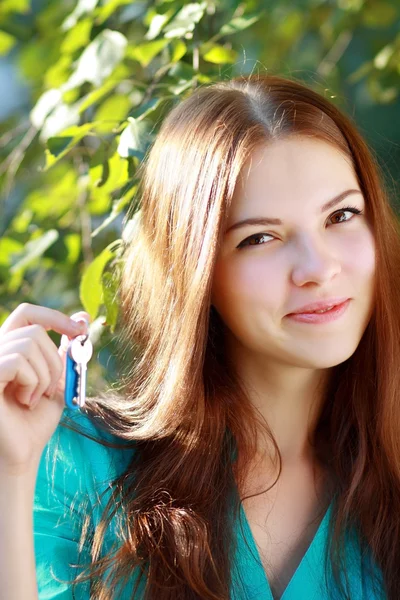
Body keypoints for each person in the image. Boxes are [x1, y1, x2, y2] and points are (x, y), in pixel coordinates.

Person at [1, 73, 398, 600]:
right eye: (260, 237)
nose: (317, 268)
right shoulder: (79, 465)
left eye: (341, 215)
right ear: (198, 273)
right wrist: (9, 472)